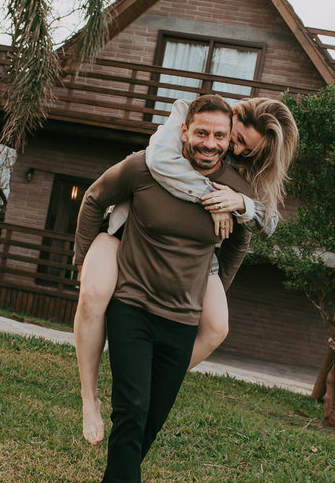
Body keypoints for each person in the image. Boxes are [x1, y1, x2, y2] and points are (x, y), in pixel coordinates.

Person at [73, 94, 254, 483]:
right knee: (132, 411)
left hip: (183, 319)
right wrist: (83, 260)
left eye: (219, 135)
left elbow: (242, 239)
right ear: (184, 131)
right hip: (132, 307)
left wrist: (214, 286)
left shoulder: (231, 187)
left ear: (229, 140)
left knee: (149, 420)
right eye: (202, 132)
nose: (210, 143)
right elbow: (94, 198)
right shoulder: (145, 168)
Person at [74, 96, 299, 444]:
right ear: (232, 116)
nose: (237, 151)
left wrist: (239, 204)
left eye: (247, 151)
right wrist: (82, 259)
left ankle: (149, 379)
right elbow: (157, 165)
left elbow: (251, 232)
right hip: (128, 230)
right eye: (238, 139)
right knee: (92, 294)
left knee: (217, 326)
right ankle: (90, 397)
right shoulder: (185, 126)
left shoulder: (236, 175)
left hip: (195, 258)